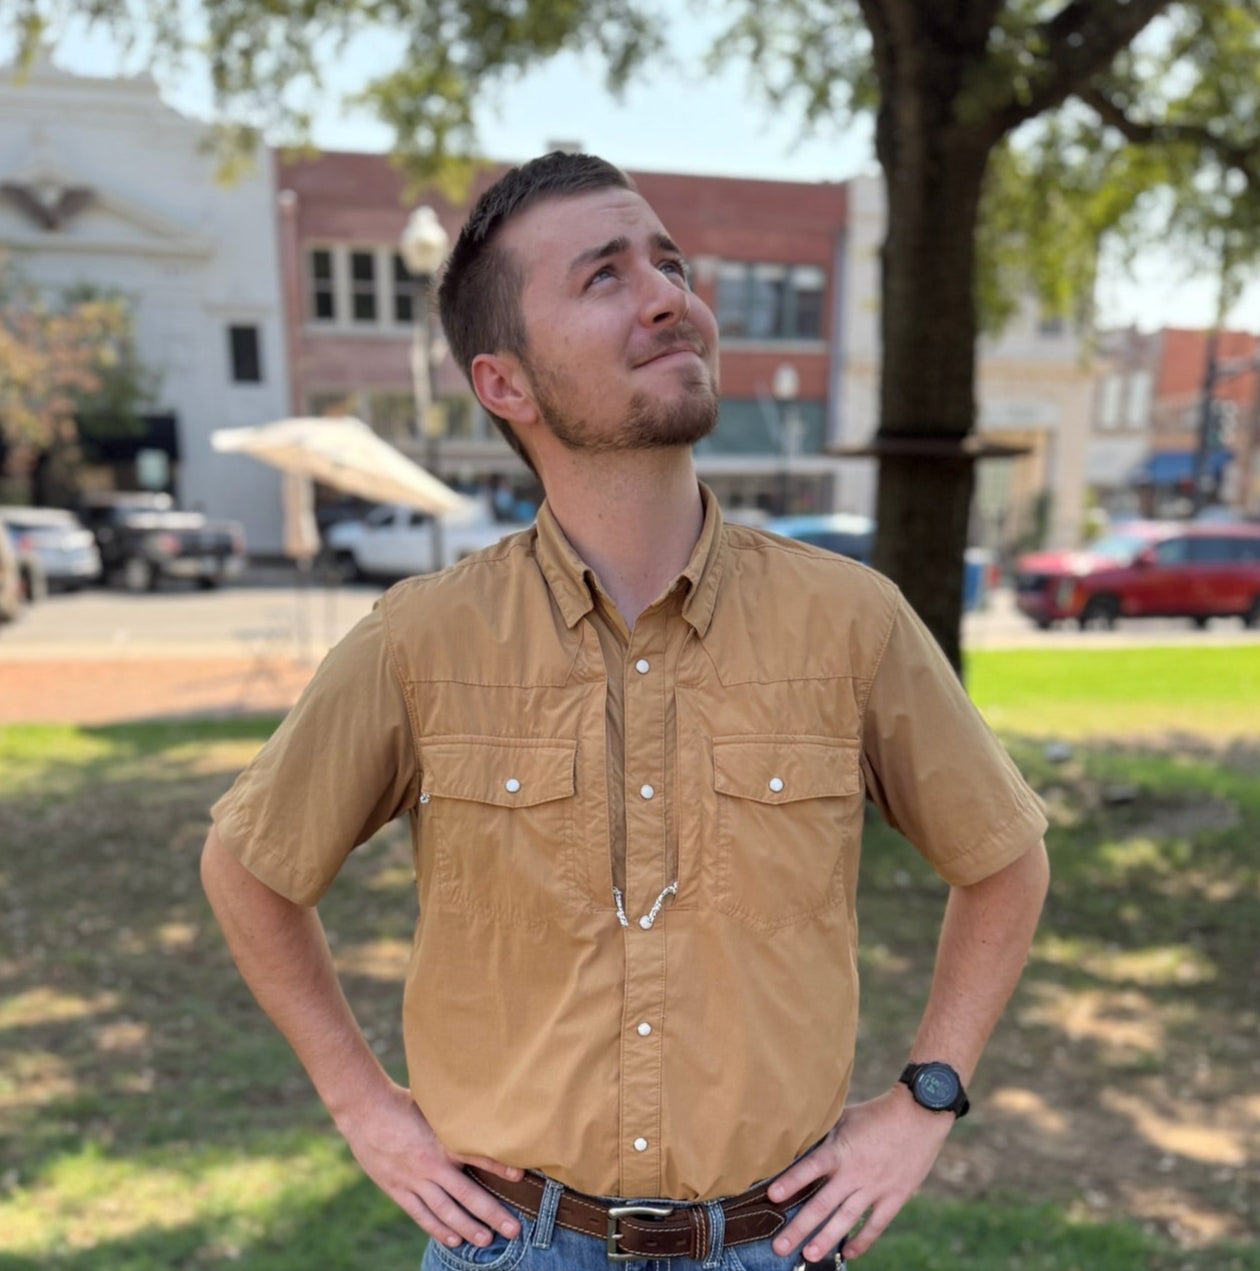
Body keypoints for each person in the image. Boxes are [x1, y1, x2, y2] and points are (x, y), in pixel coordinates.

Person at [201, 151, 1050, 1270]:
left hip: (772, 1244)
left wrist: (925, 1098)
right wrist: (362, 1104)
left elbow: (1004, 858)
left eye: (671, 265)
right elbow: (250, 868)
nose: (668, 298)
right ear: (505, 382)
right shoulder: (421, 639)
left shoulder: (855, 621)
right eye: (604, 276)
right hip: (515, 1243)